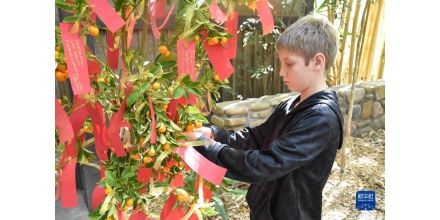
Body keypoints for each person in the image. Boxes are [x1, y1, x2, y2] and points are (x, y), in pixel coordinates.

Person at [185, 11, 344, 220]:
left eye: (289, 64)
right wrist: (216, 135)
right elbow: (257, 138)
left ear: (317, 62)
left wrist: (205, 146)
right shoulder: (290, 104)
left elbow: (265, 164)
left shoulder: (320, 118)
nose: (281, 72)